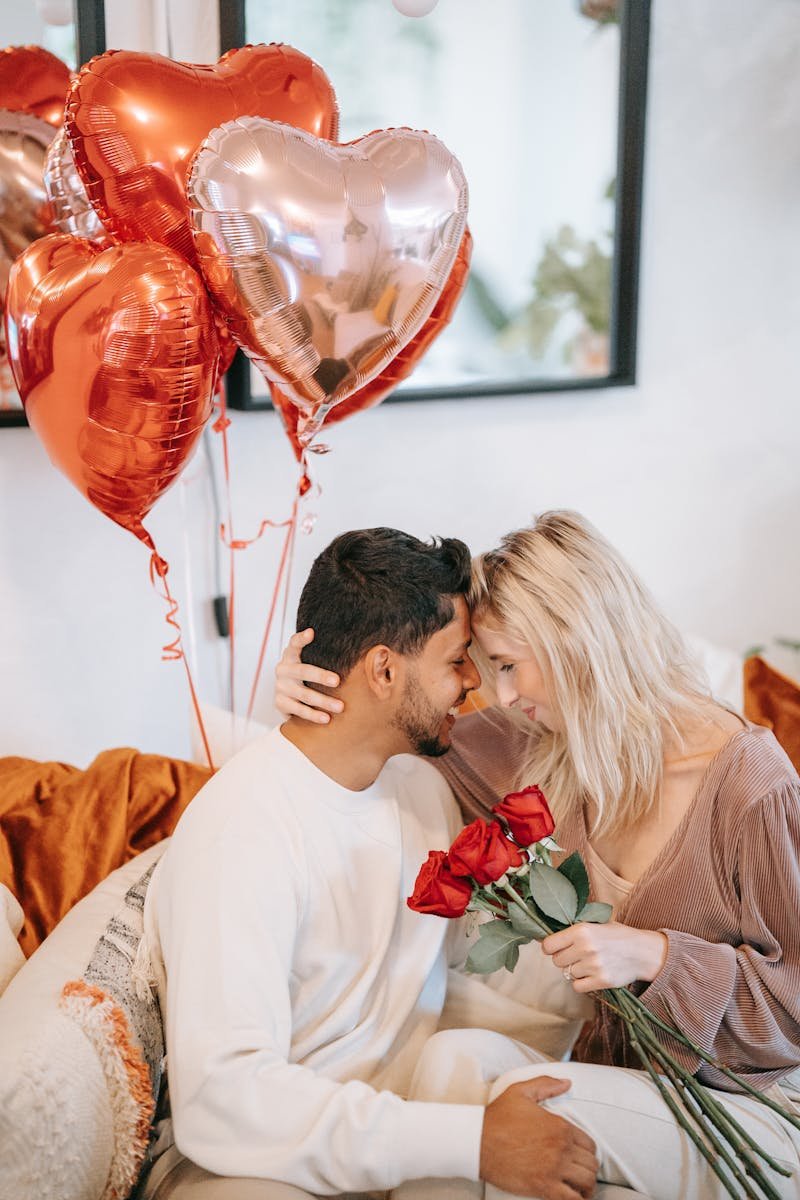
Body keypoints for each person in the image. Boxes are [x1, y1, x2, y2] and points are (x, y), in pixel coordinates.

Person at [276, 509, 800, 1200]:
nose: (504, 695)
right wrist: (320, 688)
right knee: (451, 1058)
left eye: (509, 666)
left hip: (755, 1106)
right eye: (490, 670)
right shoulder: (541, 744)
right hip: (632, 1083)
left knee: (527, 1099)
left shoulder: (752, 784)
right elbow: (399, 728)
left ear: (581, 643)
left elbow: (792, 1011)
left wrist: (657, 955)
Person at [139, 527, 600, 1200]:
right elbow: (224, 1097)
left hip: (405, 1137)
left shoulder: (422, 787)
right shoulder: (242, 829)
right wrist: (470, 1141)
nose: (474, 683)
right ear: (384, 671)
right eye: (456, 660)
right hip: (253, 1165)